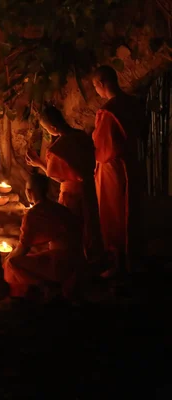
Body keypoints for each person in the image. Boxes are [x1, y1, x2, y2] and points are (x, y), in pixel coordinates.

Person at [26, 105, 103, 263]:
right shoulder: (82, 135)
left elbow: (59, 177)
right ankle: (94, 259)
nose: (47, 132)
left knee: (72, 228)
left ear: (53, 127)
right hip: (91, 188)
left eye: (46, 129)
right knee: (90, 224)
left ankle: (74, 263)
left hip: (72, 193)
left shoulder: (58, 149)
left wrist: (38, 163)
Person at [91, 65, 145, 276]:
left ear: (101, 83)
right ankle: (133, 258)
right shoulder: (133, 103)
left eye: (95, 86)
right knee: (131, 209)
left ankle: (118, 262)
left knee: (113, 213)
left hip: (112, 167)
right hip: (131, 162)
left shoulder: (108, 111)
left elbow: (103, 146)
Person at [3, 173, 86, 300]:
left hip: (62, 264)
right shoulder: (58, 207)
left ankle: (44, 287)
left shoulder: (34, 214)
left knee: (12, 264)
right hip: (78, 256)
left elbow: (23, 249)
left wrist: (5, 261)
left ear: (29, 192)